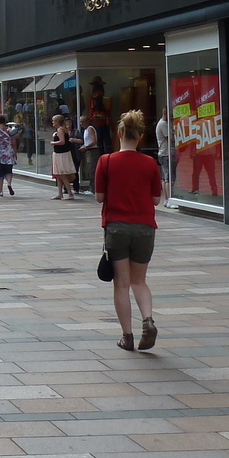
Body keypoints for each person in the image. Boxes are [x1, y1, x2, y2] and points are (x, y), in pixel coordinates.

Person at [96, 110, 164, 352]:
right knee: (140, 281)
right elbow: (157, 199)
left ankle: (127, 336)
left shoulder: (106, 161)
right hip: (145, 228)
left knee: (121, 284)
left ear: (119, 133)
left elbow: (99, 196)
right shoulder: (150, 163)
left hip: (117, 228)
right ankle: (148, 319)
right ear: (141, 136)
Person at [49, 115, 77, 200]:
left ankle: (69, 193)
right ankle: (60, 193)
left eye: (54, 121)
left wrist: (53, 143)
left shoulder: (60, 129)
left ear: (58, 121)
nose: (52, 122)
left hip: (61, 154)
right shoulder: (62, 129)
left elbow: (62, 141)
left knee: (62, 174)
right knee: (58, 174)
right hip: (59, 153)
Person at [0, 114, 18, 197]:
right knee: (9, 170)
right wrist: (15, 153)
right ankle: (9, 183)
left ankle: (0, 191)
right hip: (9, 152)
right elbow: (14, 143)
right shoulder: (10, 130)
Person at [75, 115, 98, 195]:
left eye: (83, 121)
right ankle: (91, 187)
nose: (81, 123)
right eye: (80, 122)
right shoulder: (85, 130)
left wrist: (86, 147)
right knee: (90, 169)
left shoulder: (90, 129)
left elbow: (94, 141)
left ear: (87, 121)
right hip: (88, 150)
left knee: (92, 169)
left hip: (92, 150)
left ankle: (93, 189)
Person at [155, 113, 173, 205]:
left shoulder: (161, 123)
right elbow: (169, 137)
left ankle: (167, 200)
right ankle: (169, 199)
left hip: (163, 153)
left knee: (164, 177)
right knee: (168, 178)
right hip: (166, 153)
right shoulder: (163, 124)